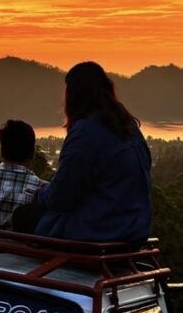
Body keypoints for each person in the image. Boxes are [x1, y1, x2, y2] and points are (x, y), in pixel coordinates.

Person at [33, 61, 151, 246]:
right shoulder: (129, 129)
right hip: (133, 232)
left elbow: (61, 197)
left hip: (98, 232)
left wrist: (39, 194)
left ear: (73, 96)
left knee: (24, 215)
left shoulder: (85, 133)